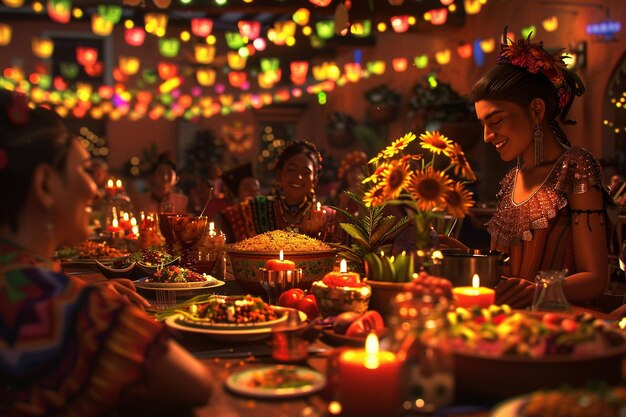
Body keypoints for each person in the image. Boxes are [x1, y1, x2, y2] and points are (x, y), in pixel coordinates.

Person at [0, 89, 212, 416]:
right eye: (85, 170)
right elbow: (195, 383)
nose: (96, 189)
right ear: (45, 185)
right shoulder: (54, 307)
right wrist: (94, 310)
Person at [442, 31, 611, 309]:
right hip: (508, 323)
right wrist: (464, 255)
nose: (486, 136)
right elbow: (510, 274)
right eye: (483, 124)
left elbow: (595, 280)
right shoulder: (512, 179)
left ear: (535, 111)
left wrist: (536, 291)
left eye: (495, 120)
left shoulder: (575, 167)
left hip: (557, 329)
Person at [220, 140, 337, 242]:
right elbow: (223, 220)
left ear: (314, 181)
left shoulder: (329, 217)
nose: (299, 177)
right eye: (291, 170)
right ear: (279, 176)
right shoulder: (256, 209)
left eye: (306, 172)